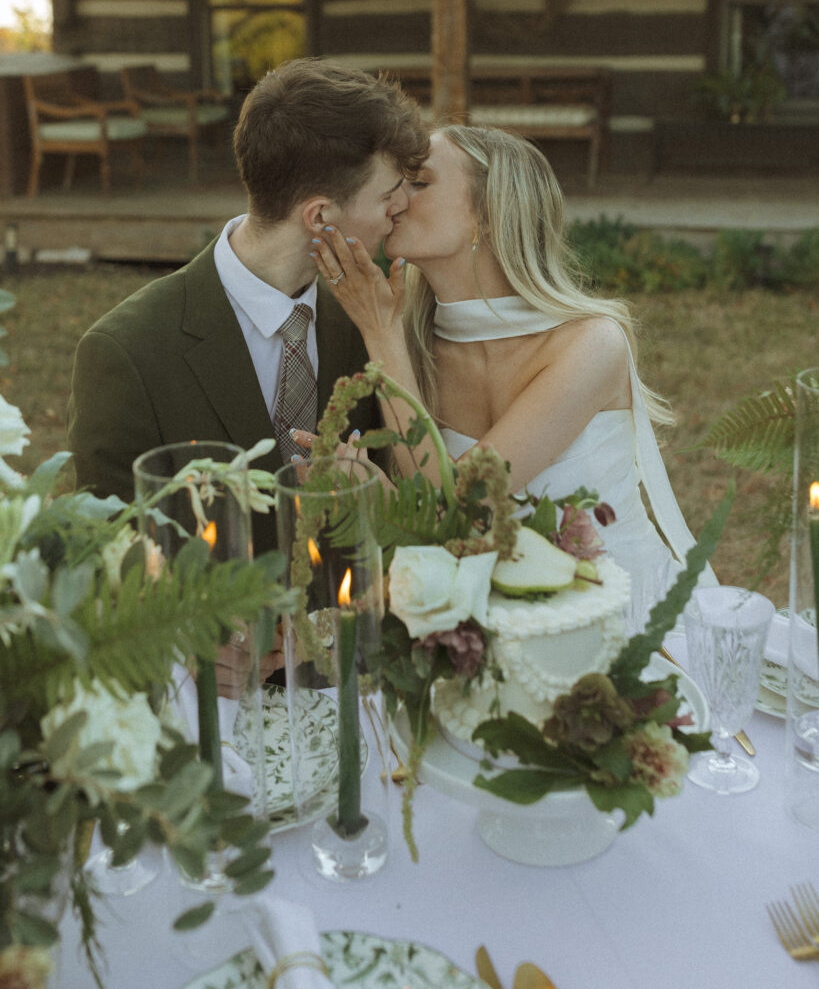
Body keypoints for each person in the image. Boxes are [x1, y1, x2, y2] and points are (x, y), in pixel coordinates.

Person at [66, 58, 428, 690]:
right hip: (216, 706)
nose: (402, 207)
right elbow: (99, 543)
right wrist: (183, 641)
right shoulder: (126, 350)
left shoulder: (376, 320)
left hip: (366, 680)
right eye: (386, 193)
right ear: (320, 217)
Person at [305, 124, 716, 636]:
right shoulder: (410, 343)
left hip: (623, 623)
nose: (394, 200)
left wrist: (381, 334)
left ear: (489, 215)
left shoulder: (590, 343)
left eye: (419, 183)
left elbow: (457, 505)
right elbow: (431, 523)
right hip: (477, 628)